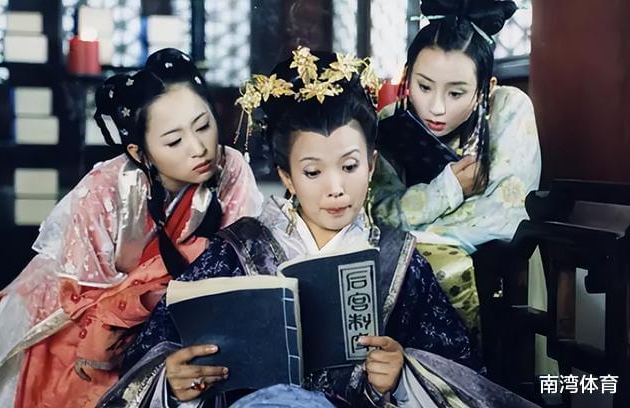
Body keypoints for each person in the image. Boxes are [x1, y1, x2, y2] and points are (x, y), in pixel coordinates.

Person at [105, 47, 536, 408]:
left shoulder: (400, 262)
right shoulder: (236, 251)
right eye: (312, 172)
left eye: (349, 166)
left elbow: (463, 374)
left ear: (371, 165)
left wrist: (401, 375)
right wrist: (174, 381)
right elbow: (149, 354)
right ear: (287, 177)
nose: (335, 188)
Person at [0, 48, 262, 408]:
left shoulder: (231, 168)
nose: (199, 148)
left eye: (203, 126)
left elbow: (234, 259)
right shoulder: (105, 189)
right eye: (174, 141)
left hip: (176, 312)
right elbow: (81, 294)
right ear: (139, 152)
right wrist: (143, 299)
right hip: (81, 320)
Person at [371, 0, 542, 338]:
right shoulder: (390, 121)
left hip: (495, 273)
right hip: (403, 268)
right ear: (407, 77)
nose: (436, 107)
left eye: (456, 93)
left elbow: (505, 216)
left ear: (485, 88)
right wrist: (449, 188)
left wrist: (416, 230)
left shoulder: (509, 108)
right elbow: (379, 214)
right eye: (424, 87)